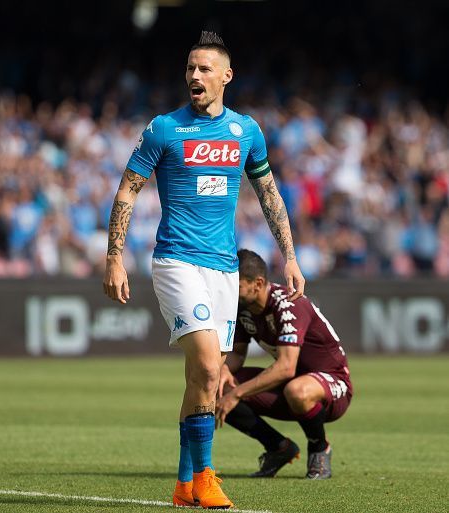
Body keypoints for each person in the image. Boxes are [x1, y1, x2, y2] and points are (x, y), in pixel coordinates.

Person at [103, 31, 305, 509]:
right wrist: (114, 256)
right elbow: (128, 190)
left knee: (203, 380)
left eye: (204, 69)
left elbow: (270, 195)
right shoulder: (164, 129)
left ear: (226, 76)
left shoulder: (246, 132)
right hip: (176, 261)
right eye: (190, 68)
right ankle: (208, 477)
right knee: (212, 365)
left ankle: (183, 485)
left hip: (224, 269)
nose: (194, 76)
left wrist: (291, 256)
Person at [215, 249, 352, 479]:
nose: (230, 292)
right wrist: (223, 371)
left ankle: (319, 448)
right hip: (290, 382)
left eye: (236, 285)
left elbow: (286, 367)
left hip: (333, 384)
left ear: (257, 283)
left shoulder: (289, 303)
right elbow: (238, 353)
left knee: (297, 390)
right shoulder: (243, 309)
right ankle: (278, 448)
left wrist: (237, 394)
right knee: (216, 389)